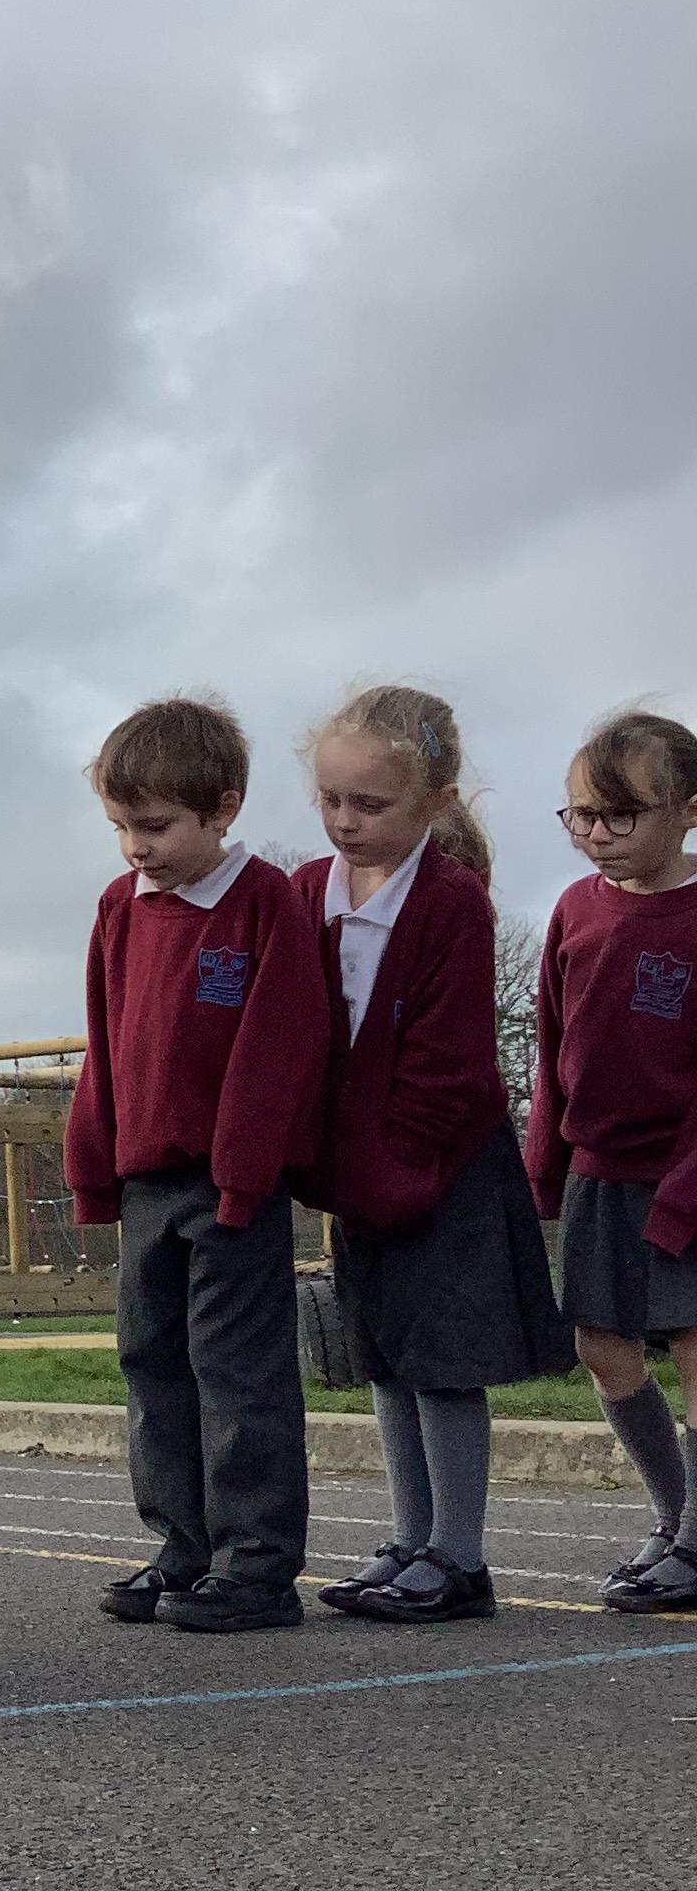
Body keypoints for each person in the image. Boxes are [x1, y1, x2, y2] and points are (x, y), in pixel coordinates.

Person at [291, 687, 571, 1625]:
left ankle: (460, 1557)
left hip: (440, 1169)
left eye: (370, 805)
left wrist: (395, 1173)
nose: (345, 822)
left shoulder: (450, 904)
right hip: (360, 1174)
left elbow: (449, 1067)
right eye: (331, 800)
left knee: (443, 1359)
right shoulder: (308, 892)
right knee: (383, 1354)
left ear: (434, 800)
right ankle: (410, 1539)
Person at [65, 696, 330, 1634]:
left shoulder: (266, 903)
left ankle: (256, 1563)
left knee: (237, 1372)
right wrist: (94, 1166)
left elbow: (280, 1049)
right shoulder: (120, 907)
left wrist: (246, 1174)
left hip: (231, 1187)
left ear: (223, 810)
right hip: (148, 1182)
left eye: (155, 826)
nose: (136, 847)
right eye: (120, 826)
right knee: (152, 1361)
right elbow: (105, 1041)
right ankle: (182, 1547)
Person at [525, 708, 697, 1613]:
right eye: (582, 815)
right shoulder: (573, 909)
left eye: (621, 814)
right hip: (601, 1169)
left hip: (686, 1169)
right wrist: (544, 1172)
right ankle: (676, 1521)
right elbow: (552, 1047)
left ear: (688, 810)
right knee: (602, 1346)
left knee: (694, 1344)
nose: (596, 833)